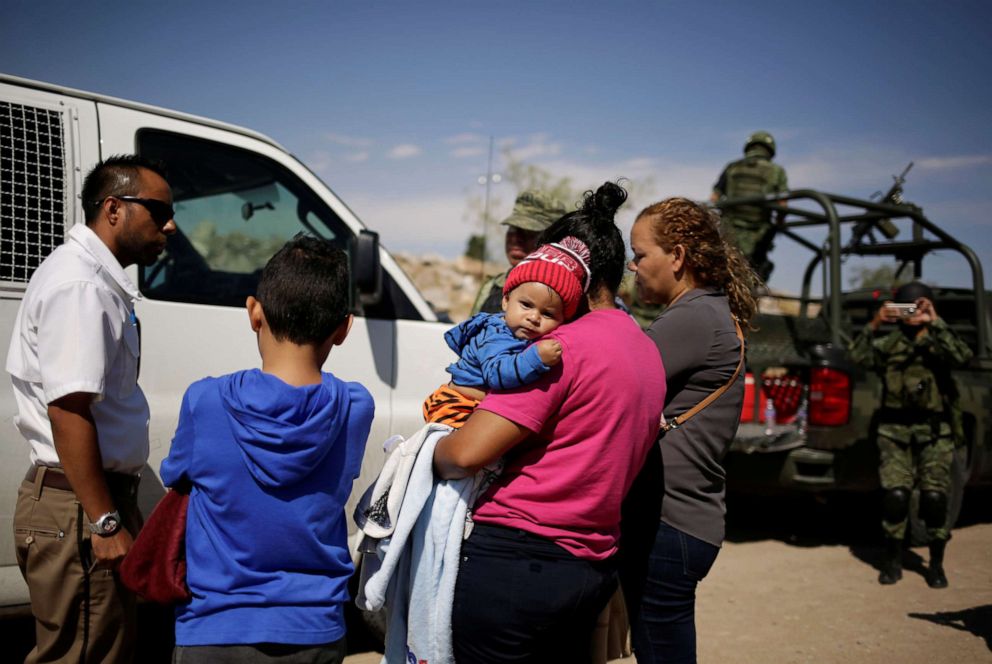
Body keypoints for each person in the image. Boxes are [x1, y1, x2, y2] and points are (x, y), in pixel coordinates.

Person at [434, 182, 667, 664]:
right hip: (592, 566)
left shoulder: (559, 351)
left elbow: (465, 455)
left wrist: (427, 449)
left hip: (517, 563)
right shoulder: (646, 350)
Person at [159, 235, 374, 663]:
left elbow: (176, 475)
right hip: (315, 629)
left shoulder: (205, 401)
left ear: (254, 312)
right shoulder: (355, 407)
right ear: (344, 328)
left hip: (213, 626)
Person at [6, 154, 177, 663]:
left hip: (86, 504)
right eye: (158, 209)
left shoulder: (96, 281)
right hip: (79, 511)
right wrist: (104, 522)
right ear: (113, 209)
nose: (169, 225)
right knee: (83, 654)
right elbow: (70, 410)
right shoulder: (80, 285)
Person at [624, 196, 759, 664]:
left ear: (677, 256)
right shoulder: (708, 312)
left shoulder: (694, 317)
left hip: (669, 524)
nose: (633, 265)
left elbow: (610, 384)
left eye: (640, 254)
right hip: (685, 523)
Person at [848, 281, 973, 588]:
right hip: (895, 430)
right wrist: (877, 322)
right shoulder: (890, 345)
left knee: (933, 498)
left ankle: (937, 564)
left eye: (920, 306)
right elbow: (857, 356)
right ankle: (892, 561)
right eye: (908, 308)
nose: (914, 313)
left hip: (935, 431)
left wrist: (936, 322)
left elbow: (963, 357)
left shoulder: (940, 341)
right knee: (897, 497)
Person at [423, 236, 592, 428]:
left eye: (547, 314)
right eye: (526, 305)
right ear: (505, 300)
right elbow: (496, 374)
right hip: (458, 407)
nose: (534, 317)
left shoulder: (516, 332)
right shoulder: (496, 334)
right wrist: (536, 358)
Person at [470, 189, 569, 315]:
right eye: (512, 229)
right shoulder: (491, 287)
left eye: (529, 232)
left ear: (554, 239)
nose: (516, 239)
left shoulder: (566, 292)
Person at [710, 130, 788, 281]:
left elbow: (714, 198)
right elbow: (783, 204)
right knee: (753, 272)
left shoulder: (732, 167)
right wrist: (780, 224)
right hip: (759, 234)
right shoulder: (777, 171)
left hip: (729, 231)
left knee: (725, 271)